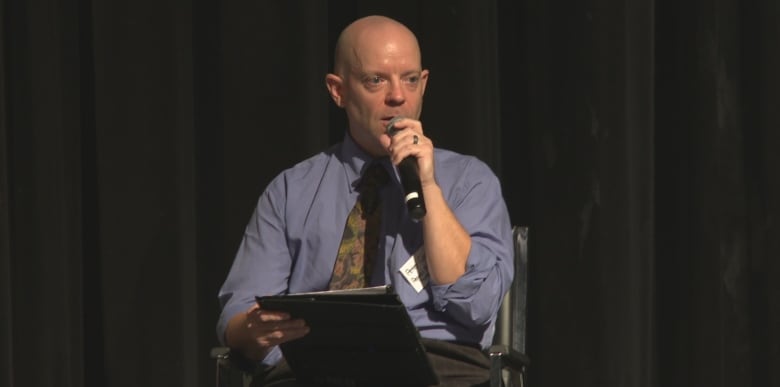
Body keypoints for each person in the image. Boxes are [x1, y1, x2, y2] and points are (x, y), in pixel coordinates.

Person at [217, 15, 514, 386]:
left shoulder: (470, 181)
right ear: (338, 91)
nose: (397, 96)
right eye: (376, 80)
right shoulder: (290, 190)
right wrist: (253, 331)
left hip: (435, 366)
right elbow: (237, 318)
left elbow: (477, 303)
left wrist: (429, 186)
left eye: (409, 80)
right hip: (313, 370)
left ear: (423, 85)